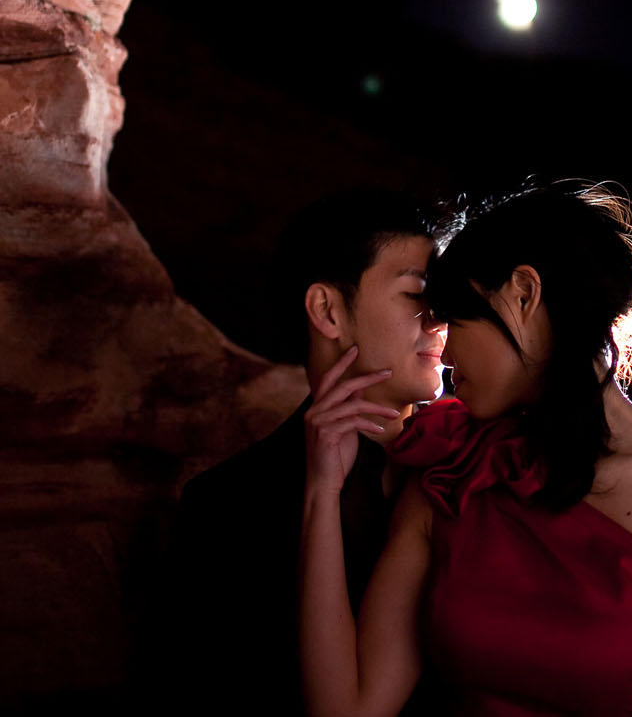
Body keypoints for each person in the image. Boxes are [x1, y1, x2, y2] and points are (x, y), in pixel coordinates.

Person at [301, 180, 632, 716]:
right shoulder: (457, 469)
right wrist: (321, 492)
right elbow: (347, 711)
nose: (444, 350)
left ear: (523, 294)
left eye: (458, 320)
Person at [164, 189, 447, 715]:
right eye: (416, 294)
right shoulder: (226, 508)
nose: (439, 319)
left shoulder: (476, 471)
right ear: (328, 310)